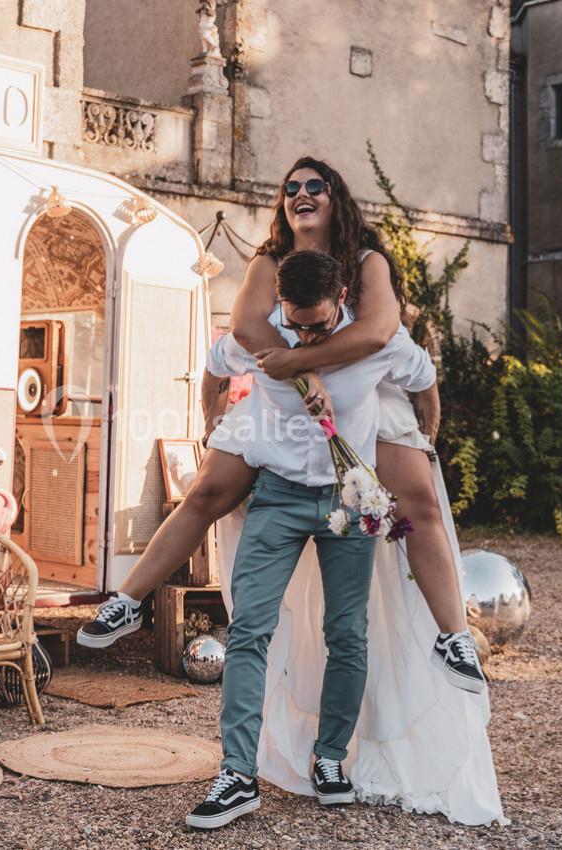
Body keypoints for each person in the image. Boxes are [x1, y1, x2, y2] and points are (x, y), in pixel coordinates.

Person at [77, 156, 484, 695]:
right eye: (290, 187)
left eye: (315, 185)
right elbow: (244, 329)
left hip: (362, 391)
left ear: (336, 198)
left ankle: (452, 636)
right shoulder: (269, 261)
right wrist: (276, 384)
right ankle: (128, 601)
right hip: (280, 399)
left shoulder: (366, 262)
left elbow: (380, 332)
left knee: (419, 501)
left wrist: (304, 363)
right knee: (208, 491)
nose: (301, 193)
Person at [185, 250, 436, 829]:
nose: (305, 338)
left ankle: (329, 758)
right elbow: (215, 366)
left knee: (347, 634)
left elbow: (425, 380)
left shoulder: (376, 341)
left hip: (352, 500)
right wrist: (212, 422)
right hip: (278, 497)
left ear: (342, 299)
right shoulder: (263, 336)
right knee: (248, 629)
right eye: (296, 325)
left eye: (317, 326)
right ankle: (237, 774)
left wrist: (428, 440)